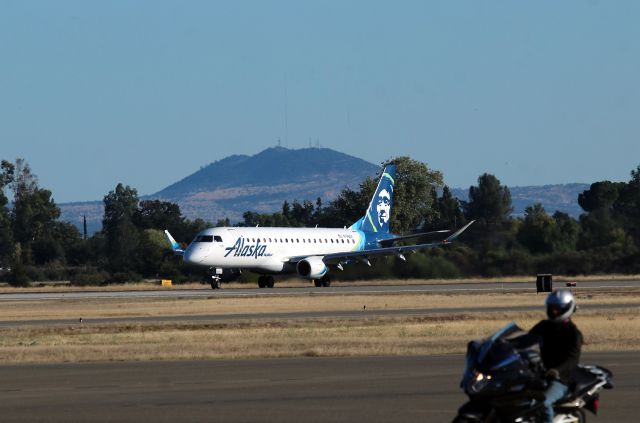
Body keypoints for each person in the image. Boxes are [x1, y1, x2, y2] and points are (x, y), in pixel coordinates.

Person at [529, 289, 583, 423]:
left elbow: (572, 360)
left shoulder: (573, 334)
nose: (553, 312)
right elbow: (525, 340)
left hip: (561, 380)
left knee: (543, 402)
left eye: (557, 309)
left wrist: (556, 371)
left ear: (567, 308)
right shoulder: (544, 326)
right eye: (551, 308)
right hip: (540, 375)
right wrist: (501, 345)